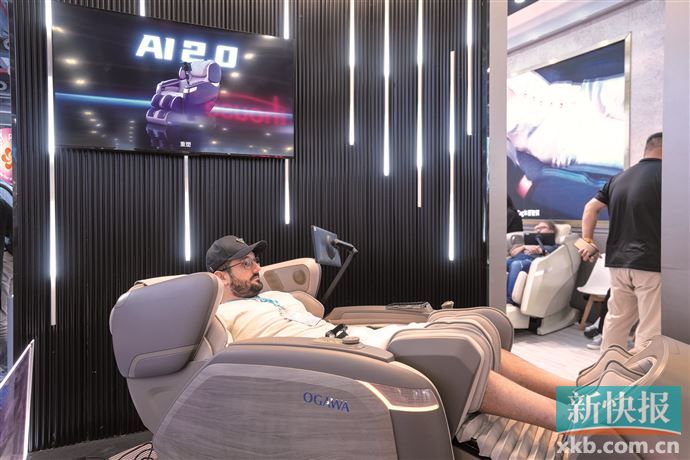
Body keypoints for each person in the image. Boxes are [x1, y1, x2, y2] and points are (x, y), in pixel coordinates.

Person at [207, 235, 575, 432]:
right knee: (456, 352)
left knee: (476, 334)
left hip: (357, 337)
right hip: (339, 358)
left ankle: (575, 393)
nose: (257, 268)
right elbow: (232, 370)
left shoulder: (275, 295)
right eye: (245, 264)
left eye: (256, 260)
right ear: (221, 276)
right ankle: (575, 421)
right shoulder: (220, 317)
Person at [579, 132, 662, 352]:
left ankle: (609, 364)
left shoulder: (618, 178)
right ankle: (643, 369)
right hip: (651, 262)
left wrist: (587, 239)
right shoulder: (668, 176)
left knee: (617, 319)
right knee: (650, 326)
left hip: (618, 262)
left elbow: (590, 208)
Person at [506, 220, 558, 305]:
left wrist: (538, 249)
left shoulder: (553, 246)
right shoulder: (527, 243)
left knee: (516, 264)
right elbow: (513, 253)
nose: (538, 230)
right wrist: (524, 247)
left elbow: (546, 252)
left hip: (531, 262)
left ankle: (509, 300)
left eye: (542, 228)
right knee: (497, 264)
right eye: (537, 228)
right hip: (514, 259)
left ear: (551, 231)